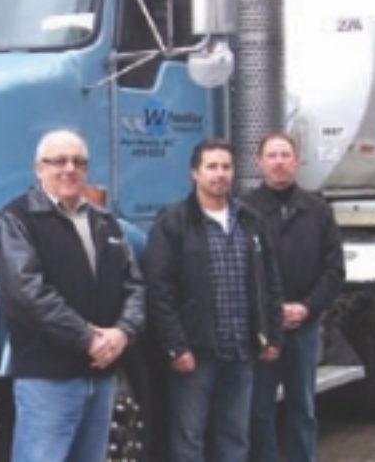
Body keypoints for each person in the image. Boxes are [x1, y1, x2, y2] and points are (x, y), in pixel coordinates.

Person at [0, 129, 145, 462]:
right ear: (38, 168)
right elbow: (28, 292)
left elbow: (134, 285)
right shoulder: (18, 220)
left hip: (101, 377)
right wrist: (87, 338)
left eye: (78, 161)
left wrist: (123, 333)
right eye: (58, 161)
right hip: (48, 379)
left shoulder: (106, 223)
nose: (69, 168)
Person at [144, 138, 283, 462]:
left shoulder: (251, 222)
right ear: (195, 173)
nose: (220, 174)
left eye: (226, 167)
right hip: (196, 354)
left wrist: (272, 334)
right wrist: (176, 347)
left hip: (242, 350)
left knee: (235, 435)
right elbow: (159, 290)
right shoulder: (174, 223)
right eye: (212, 167)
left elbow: (270, 282)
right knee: (189, 437)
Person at [246, 132, 345, 462]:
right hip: (261, 330)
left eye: (285, 155)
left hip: (304, 327)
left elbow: (334, 271)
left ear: (297, 162)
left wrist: (306, 307)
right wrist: (269, 311)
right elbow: (237, 271)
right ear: (259, 163)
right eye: (271, 156)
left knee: (302, 408)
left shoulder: (317, 210)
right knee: (259, 411)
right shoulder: (244, 211)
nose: (279, 162)